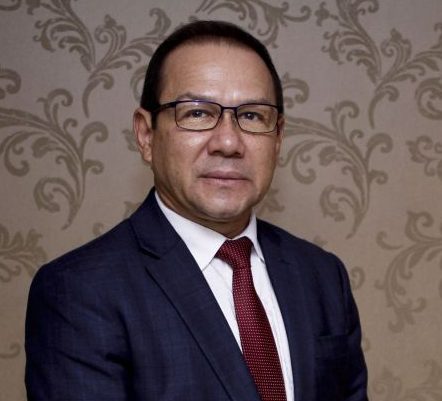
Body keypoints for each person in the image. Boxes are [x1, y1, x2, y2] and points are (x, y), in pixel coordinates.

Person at [25, 20, 368, 401]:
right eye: (198, 113)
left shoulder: (322, 276)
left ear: (278, 137)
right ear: (146, 134)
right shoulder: (79, 291)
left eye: (252, 116)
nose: (228, 142)